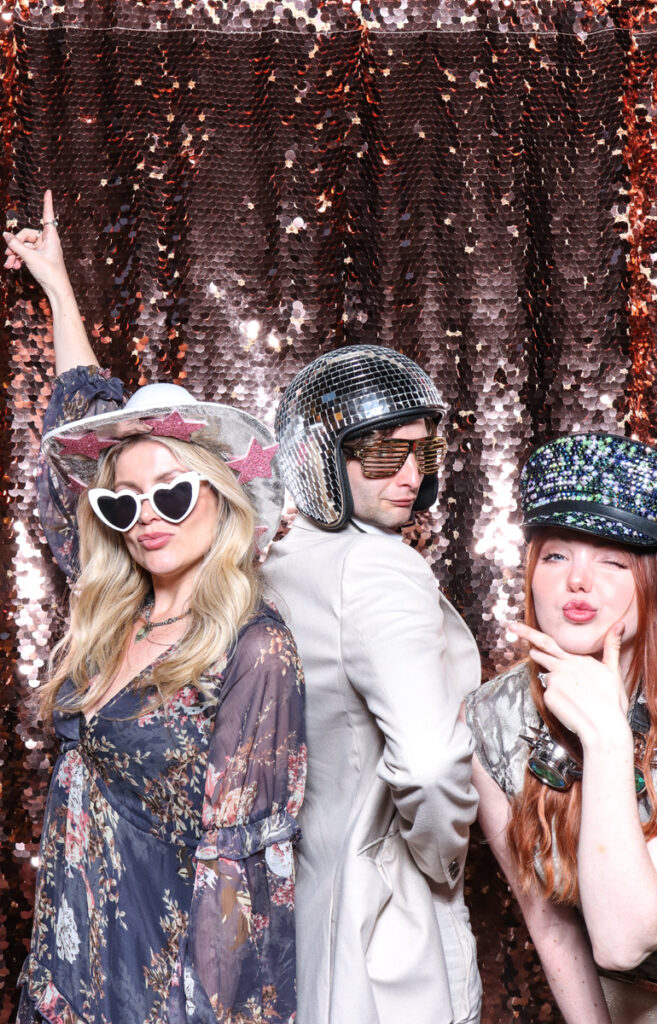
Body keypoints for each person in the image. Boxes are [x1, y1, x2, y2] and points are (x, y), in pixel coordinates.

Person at [5, 193, 307, 1024]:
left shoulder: (254, 648)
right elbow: (77, 416)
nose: (147, 517)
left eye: (173, 494)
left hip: (166, 982)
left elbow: (247, 879)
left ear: (223, 499)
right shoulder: (112, 615)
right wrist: (59, 290)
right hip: (69, 965)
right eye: (123, 503)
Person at [464, 432, 657, 1023]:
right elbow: (550, 925)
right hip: (619, 1007)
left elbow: (627, 938)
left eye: (612, 560)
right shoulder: (489, 718)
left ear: (653, 584)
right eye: (556, 555)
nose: (578, 580)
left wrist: (604, 738)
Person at [266, 346, 482, 1024]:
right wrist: (440, 864)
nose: (411, 476)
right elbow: (431, 761)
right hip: (389, 927)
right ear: (319, 457)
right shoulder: (377, 569)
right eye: (385, 455)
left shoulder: (274, 565)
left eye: (424, 452)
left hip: (307, 908)